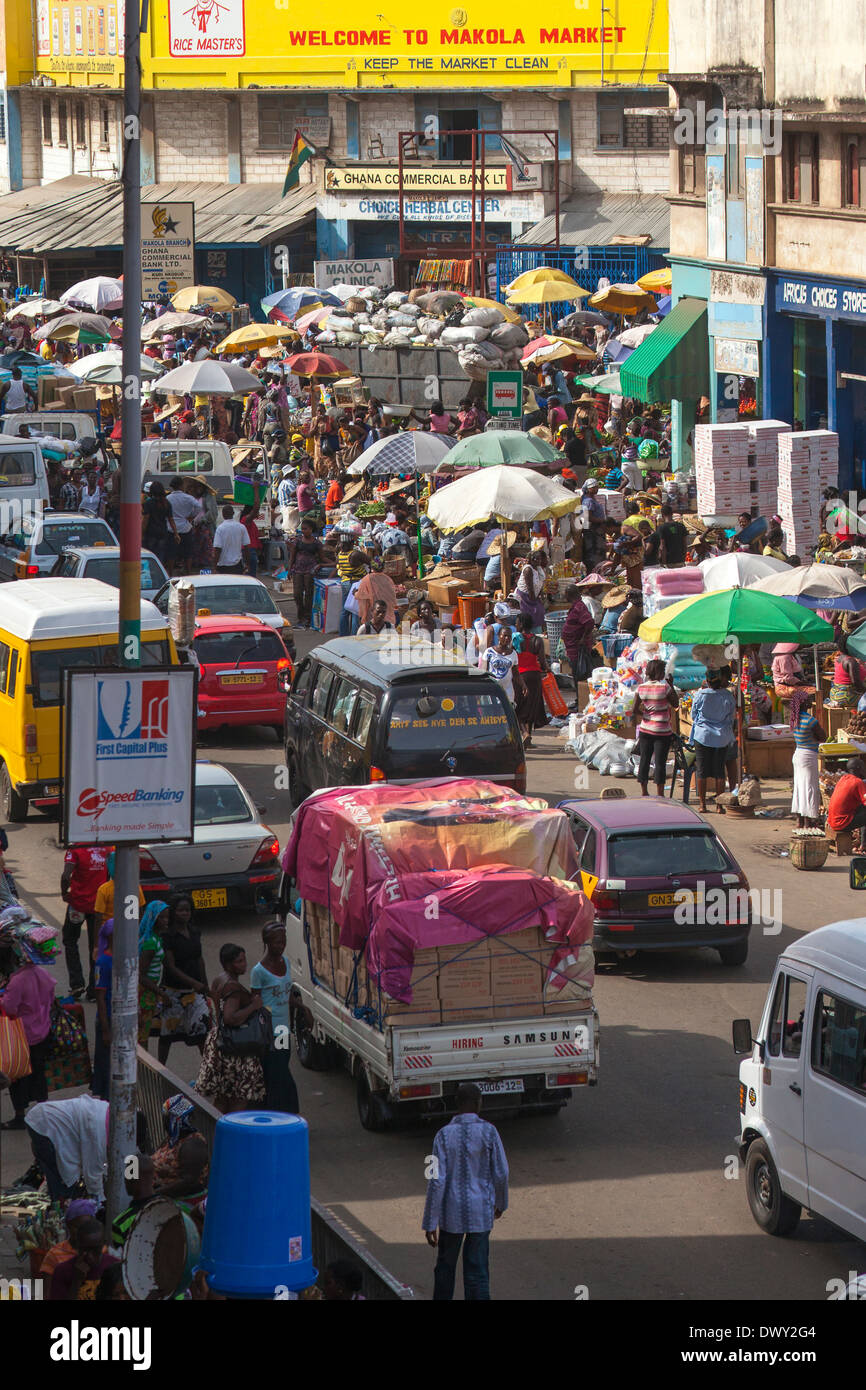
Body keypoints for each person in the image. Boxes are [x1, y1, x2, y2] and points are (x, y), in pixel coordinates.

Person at [422, 1082, 509, 1301]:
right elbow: (502, 1173)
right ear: (480, 1103)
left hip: (451, 1214)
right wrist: (501, 1203)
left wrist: (430, 1221)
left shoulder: (442, 1135)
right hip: (481, 1212)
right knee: (477, 1271)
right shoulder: (489, 1132)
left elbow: (436, 1180)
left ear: (456, 1104)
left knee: (445, 1269)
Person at [196, 943, 266, 1112]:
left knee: (222, 1098)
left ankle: (217, 1134)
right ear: (228, 965)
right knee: (239, 1100)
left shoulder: (220, 979)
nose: (244, 964)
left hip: (218, 1043)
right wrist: (253, 1006)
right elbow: (230, 1018)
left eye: (244, 960)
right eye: (239, 961)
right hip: (234, 1050)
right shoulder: (233, 988)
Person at [0, 939, 55, 1129]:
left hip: (22, 1034)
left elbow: (9, 1006)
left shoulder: (17, 980)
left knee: (18, 1075)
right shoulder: (44, 974)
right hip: (43, 1029)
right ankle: (43, 1109)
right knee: (39, 1071)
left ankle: (20, 1114)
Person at [250, 921, 299, 1114]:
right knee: (277, 1072)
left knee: (280, 1068)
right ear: (267, 943)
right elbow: (255, 1001)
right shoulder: (259, 971)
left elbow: (288, 995)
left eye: (284, 941)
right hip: (270, 1031)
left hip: (284, 1028)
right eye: (277, 942)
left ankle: (281, 1110)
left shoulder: (285, 962)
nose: (281, 946)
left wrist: (303, 1008)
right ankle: (284, 1110)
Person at [24, 1094, 109, 1203]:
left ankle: (60, 1204)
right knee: (63, 1183)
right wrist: (101, 1203)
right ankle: (61, 1208)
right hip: (43, 1124)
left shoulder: (113, 1115)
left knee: (65, 1179)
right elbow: (92, 1173)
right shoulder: (99, 1134)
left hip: (44, 1119)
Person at [157, 894, 210, 1066]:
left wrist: (204, 983)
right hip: (173, 992)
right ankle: (160, 1069)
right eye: (180, 910)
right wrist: (193, 982)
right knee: (167, 1036)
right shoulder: (168, 936)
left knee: (202, 1032)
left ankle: (208, 1070)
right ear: (173, 913)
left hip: (195, 994)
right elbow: (170, 966)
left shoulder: (195, 932)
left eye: (187, 910)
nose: (184, 914)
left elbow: (199, 958)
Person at [60, 842, 110, 1001]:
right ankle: (94, 990)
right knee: (95, 945)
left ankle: (76, 984)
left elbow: (65, 875)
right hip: (98, 907)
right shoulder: (108, 847)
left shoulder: (76, 848)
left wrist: (64, 893)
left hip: (77, 905)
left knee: (70, 940)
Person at [690, 671, 737, 814]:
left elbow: (694, 714)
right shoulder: (728, 696)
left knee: (702, 771)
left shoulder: (700, 695)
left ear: (707, 681)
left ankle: (702, 805)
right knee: (720, 772)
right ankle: (719, 806)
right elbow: (731, 717)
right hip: (722, 737)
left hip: (703, 736)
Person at [633, 658, 679, 797]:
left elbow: (634, 709)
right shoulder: (665, 687)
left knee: (645, 760)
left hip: (645, 729)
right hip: (662, 732)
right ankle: (660, 794)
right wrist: (671, 684)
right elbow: (675, 703)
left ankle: (644, 791)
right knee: (660, 762)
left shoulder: (641, 688)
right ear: (659, 672)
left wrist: (646, 715)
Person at [39, 1198, 99, 1296]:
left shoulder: (102, 1253)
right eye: (77, 1227)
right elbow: (47, 1294)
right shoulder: (54, 1255)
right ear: (68, 1225)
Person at [48, 1218, 118, 1301]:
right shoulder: (62, 1271)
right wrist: (76, 1281)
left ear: (103, 1244)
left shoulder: (114, 1266)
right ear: (77, 1246)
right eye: (85, 1250)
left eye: (96, 1250)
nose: (90, 1256)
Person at [138, 899, 170, 1049]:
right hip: (145, 994)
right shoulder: (150, 943)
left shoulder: (156, 939)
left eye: (167, 917)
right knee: (142, 1034)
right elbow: (141, 975)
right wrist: (161, 994)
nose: (166, 921)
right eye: (162, 918)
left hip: (150, 993)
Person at [791, 693, 825, 828]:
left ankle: (800, 820)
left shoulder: (794, 719)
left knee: (799, 787)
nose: (811, 700)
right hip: (809, 756)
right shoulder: (811, 720)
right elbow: (823, 737)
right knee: (810, 788)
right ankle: (808, 821)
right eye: (808, 699)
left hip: (798, 754)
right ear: (804, 703)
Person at [513, 612, 547, 746]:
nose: (515, 624)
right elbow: (543, 662)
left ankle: (524, 733)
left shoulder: (515, 639)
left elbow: (511, 657)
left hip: (520, 676)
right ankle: (529, 736)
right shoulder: (538, 640)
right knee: (532, 705)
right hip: (535, 676)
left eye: (516, 622)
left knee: (518, 705)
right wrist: (547, 670)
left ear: (521, 624)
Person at [561, 583, 596, 702]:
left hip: (578, 649)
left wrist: (583, 638)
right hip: (572, 647)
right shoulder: (576, 606)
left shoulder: (579, 607)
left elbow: (589, 622)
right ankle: (579, 700)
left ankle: (581, 701)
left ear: (569, 595)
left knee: (580, 675)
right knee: (576, 674)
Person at [287, 517, 323, 629]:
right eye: (302, 529)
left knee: (309, 595)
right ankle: (300, 616)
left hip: (310, 571)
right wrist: (289, 569)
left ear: (311, 529)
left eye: (306, 529)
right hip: (297, 570)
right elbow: (292, 556)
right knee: (297, 594)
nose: (303, 531)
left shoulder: (317, 543)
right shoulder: (297, 541)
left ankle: (307, 618)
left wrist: (332, 563)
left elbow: (321, 557)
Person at [827, 758, 866, 851]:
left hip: (832, 820)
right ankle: (864, 845)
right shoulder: (858, 782)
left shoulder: (843, 778)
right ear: (859, 768)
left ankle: (863, 842)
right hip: (842, 823)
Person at [335, 531, 368, 636]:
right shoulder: (355, 554)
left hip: (345, 582)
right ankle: (354, 636)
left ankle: (343, 635)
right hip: (357, 583)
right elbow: (371, 561)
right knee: (355, 611)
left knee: (345, 610)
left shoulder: (340, 555)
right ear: (351, 543)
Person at [167, 476, 200, 576]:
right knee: (188, 552)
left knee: (171, 553)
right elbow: (198, 507)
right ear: (181, 485)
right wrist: (191, 516)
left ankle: (170, 573)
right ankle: (189, 572)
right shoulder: (188, 498)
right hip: (185, 527)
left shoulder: (168, 498)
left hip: (172, 529)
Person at [142, 480, 179, 567]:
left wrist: (141, 533)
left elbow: (145, 520)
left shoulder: (148, 503)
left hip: (150, 533)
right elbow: (171, 520)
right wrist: (176, 534)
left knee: (149, 555)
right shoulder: (166, 503)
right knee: (160, 556)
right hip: (163, 532)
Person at [481, 624, 520, 704]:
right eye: (504, 635)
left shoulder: (513, 654)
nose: (507, 638)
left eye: (509, 636)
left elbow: (516, 673)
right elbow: (483, 671)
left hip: (508, 691)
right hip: (492, 690)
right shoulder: (489, 652)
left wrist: (523, 686)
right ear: (499, 636)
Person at [355, 556, 398, 627]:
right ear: (383, 568)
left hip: (372, 616)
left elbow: (361, 596)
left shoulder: (366, 579)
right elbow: (392, 598)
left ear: (371, 568)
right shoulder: (388, 579)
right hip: (386, 615)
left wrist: (355, 593)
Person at [212, 504, 250, 575]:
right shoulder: (241, 527)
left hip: (223, 566)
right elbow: (246, 547)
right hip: (237, 565)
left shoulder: (220, 529)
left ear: (223, 515)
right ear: (233, 513)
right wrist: (247, 564)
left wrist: (214, 567)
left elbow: (217, 549)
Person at [830, 636, 866, 707]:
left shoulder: (840, 658)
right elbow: (856, 683)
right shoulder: (850, 661)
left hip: (835, 694)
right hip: (846, 697)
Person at [514, 552, 547, 631]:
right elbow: (530, 589)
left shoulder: (538, 569)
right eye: (537, 559)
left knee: (540, 611)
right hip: (525, 598)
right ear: (532, 560)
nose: (539, 561)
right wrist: (536, 603)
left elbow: (539, 585)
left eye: (540, 559)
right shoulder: (528, 570)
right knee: (535, 613)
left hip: (532, 597)